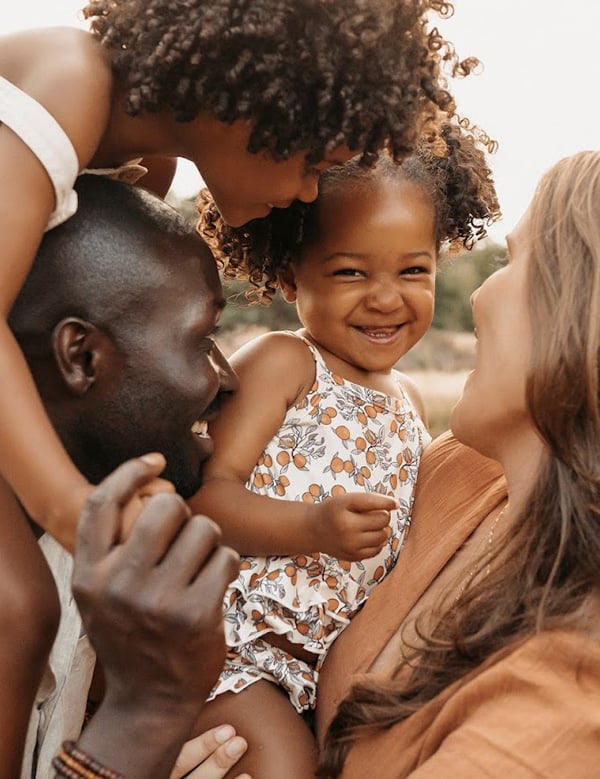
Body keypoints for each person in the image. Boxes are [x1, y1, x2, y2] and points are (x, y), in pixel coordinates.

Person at [0, 0, 468, 561]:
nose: (311, 193)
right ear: (259, 104)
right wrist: (69, 507)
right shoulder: (69, 81)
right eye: (313, 165)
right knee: (20, 606)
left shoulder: (151, 165)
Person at [189, 120, 500, 778]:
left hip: (331, 677)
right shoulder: (285, 363)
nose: (387, 297)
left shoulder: (412, 403)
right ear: (288, 274)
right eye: (351, 271)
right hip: (240, 653)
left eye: (413, 269)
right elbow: (207, 500)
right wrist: (313, 525)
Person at [312, 150, 600, 777]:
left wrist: (133, 738)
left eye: (511, 259)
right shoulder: (457, 468)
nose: (476, 292)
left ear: (582, 312)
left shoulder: (568, 703)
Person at [5, 174, 245, 778]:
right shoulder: (11, 594)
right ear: (81, 357)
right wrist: (147, 715)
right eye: (202, 337)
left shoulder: (80, 547)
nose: (229, 378)